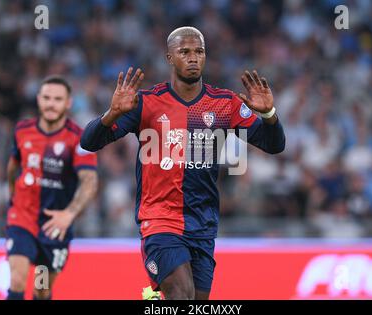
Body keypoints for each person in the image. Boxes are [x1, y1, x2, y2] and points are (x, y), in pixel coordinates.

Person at [81, 26, 285, 300]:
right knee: (180, 294)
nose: (193, 58)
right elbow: (89, 141)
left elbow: (274, 145)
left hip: (203, 224)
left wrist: (270, 114)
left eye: (199, 52)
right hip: (160, 219)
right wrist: (112, 113)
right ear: (169, 58)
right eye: (185, 52)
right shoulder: (146, 103)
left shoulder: (225, 104)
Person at [6, 76, 98, 300]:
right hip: (23, 219)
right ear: (38, 100)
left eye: (57, 99)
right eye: (46, 98)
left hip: (53, 227)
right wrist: (13, 199)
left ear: (68, 103)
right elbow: (12, 168)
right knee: (17, 279)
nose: (51, 104)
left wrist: (69, 214)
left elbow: (90, 180)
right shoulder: (22, 130)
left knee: (42, 287)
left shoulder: (79, 139)